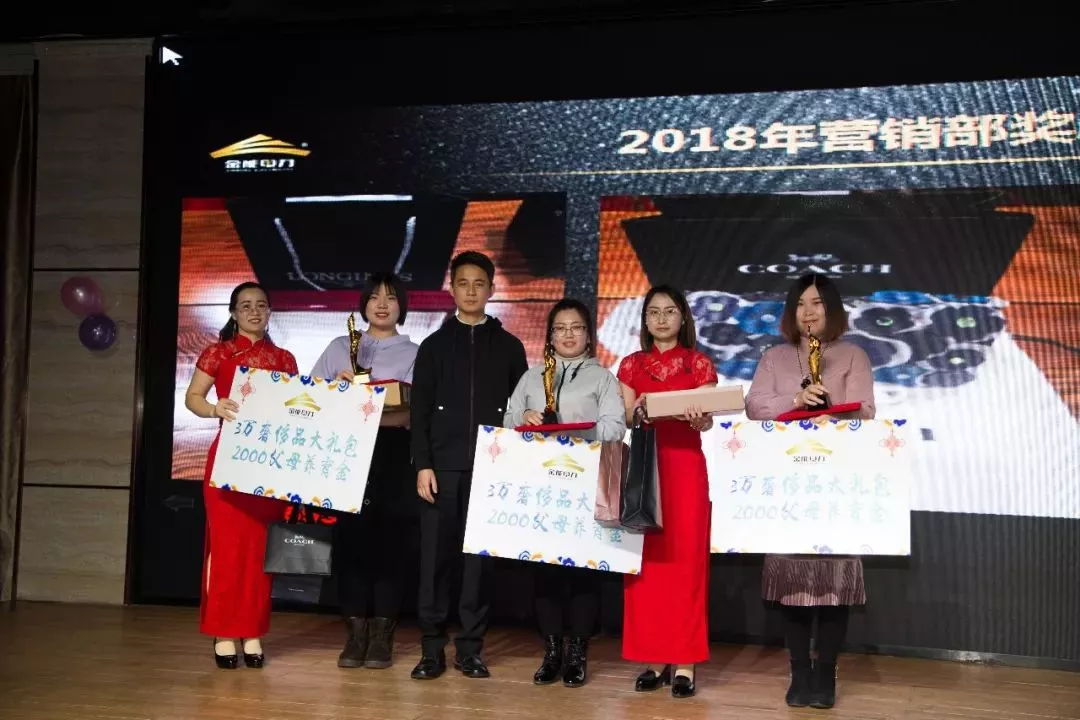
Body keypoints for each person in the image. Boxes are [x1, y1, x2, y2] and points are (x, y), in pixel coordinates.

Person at [744, 273, 876, 710]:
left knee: (833, 582)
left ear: (831, 308)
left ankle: (826, 673)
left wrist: (833, 416)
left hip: (835, 483)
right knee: (794, 582)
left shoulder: (853, 355)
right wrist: (796, 403)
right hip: (788, 485)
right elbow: (754, 406)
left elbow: (866, 411)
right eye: (800, 303)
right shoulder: (775, 357)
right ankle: (799, 672)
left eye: (817, 303)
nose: (808, 311)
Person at [410, 251, 528, 680]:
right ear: (452, 289)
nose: (471, 291)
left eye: (480, 283)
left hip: (491, 470)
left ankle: (471, 649)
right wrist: (423, 464)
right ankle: (431, 649)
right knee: (435, 562)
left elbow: (520, 408)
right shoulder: (434, 346)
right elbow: (420, 411)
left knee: (479, 564)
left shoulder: (510, 347)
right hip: (441, 470)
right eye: (463, 283)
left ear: (492, 290)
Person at [504, 298, 626, 688]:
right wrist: (524, 418)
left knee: (582, 573)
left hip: (585, 484)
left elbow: (615, 428)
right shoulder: (531, 377)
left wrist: (576, 428)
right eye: (560, 328)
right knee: (545, 571)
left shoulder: (603, 378)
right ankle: (552, 651)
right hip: (541, 486)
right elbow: (507, 421)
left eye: (576, 327)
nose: (568, 334)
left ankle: (577, 654)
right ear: (550, 336)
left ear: (589, 336)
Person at [184, 282, 299, 669]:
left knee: (258, 553)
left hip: (267, 463)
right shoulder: (218, 352)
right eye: (245, 305)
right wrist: (215, 409)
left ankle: (251, 632)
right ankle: (222, 631)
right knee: (227, 549)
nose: (254, 311)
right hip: (228, 462)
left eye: (261, 305)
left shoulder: (284, 358)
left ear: (269, 312)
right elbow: (193, 398)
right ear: (233, 313)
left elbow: (296, 408)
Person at [309, 272, 419, 670]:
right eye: (374, 297)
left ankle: (382, 638)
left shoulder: (416, 353)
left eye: (391, 297)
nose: (382, 304)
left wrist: (367, 404)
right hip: (346, 453)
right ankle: (355, 637)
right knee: (351, 545)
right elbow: (311, 398)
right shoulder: (340, 347)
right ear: (363, 304)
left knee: (390, 545)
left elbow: (414, 412)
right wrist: (338, 393)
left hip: (392, 452)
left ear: (402, 306)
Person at [615, 285, 715, 699]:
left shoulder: (699, 363)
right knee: (647, 566)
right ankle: (654, 658)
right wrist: (637, 411)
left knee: (686, 564)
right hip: (645, 469)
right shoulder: (631, 364)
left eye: (669, 311)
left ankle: (685, 661)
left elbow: (708, 419)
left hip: (685, 469)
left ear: (683, 317)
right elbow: (624, 417)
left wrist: (699, 420)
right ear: (644, 320)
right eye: (653, 312)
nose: (661, 319)